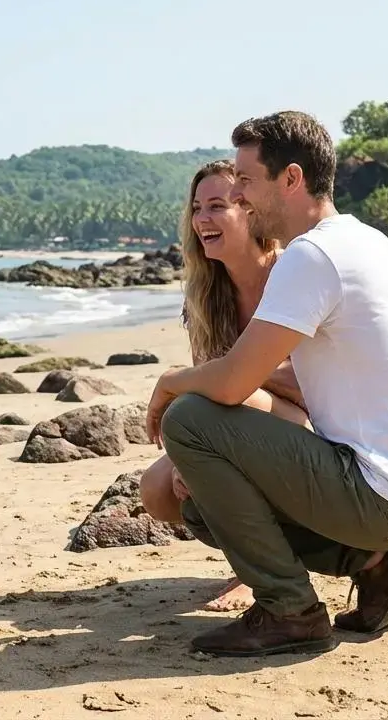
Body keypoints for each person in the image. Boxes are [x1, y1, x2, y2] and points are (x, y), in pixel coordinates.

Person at [145, 111, 388, 658]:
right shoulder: (364, 240)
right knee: (196, 502)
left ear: (290, 179)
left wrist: (171, 381)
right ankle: (382, 567)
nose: (239, 196)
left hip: (378, 494)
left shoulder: (311, 255)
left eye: (246, 181)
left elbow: (236, 382)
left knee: (189, 420)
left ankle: (290, 611)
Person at [138, 158, 309, 612]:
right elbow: (205, 389)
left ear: (251, 210)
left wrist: (242, 371)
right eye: (197, 208)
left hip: (316, 429)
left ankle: (254, 574)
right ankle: (257, 553)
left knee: (244, 397)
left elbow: (313, 384)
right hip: (246, 420)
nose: (202, 220)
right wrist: (185, 458)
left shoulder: (291, 274)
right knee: (156, 488)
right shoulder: (205, 294)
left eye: (217, 206)